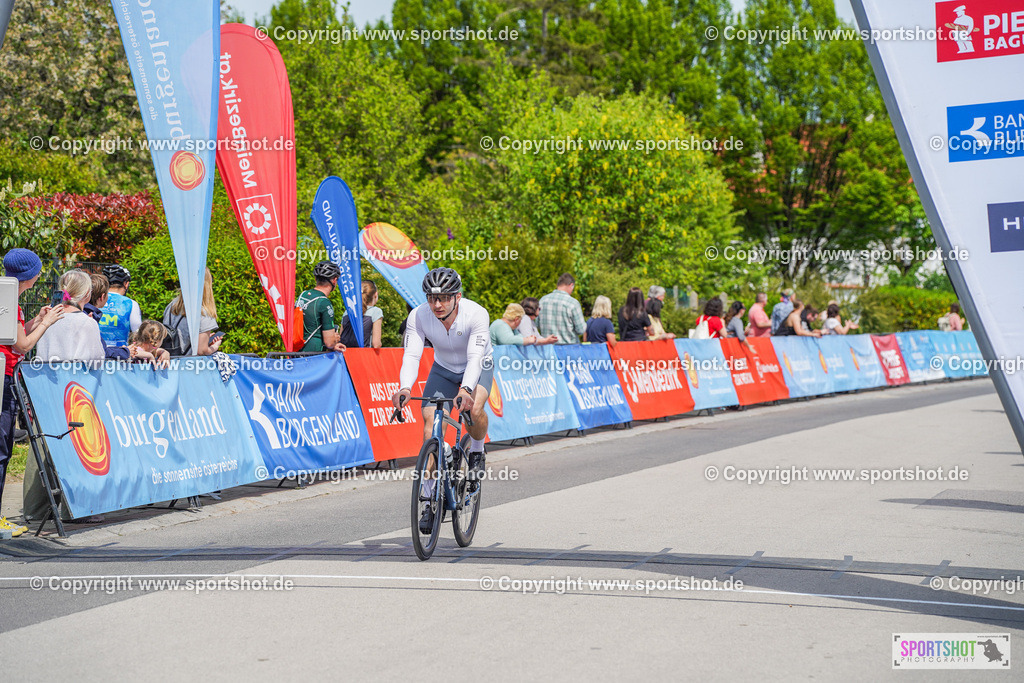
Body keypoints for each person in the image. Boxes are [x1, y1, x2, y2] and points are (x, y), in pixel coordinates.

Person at [392, 268, 492, 533]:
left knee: (475, 409)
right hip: (443, 368)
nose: (437, 304)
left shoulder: (477, 314)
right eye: (431, 297)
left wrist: (467, 389)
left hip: (478, 366)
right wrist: (404, 387)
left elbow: (474, 357)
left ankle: (478, 451)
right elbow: (412, 356)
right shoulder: (419, 315)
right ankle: (429, 501)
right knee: (429, 429)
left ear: (457, 296)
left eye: (444, 297)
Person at [1, 249, 64, 537]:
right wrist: (47, 325)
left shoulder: (7, 294)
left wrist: (37, 321)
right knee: (3, 450)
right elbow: (23, 346)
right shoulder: (10, 299)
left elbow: (13, 338)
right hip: (4, 379)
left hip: (4, 375)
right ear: (32, 275)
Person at [35, 270, 106, 363]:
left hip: (45, 375)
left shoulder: (46, 319)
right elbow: (97, 361)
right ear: (87, 293)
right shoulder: (87, 322)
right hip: (74, 376)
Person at [163, 268, 223, 356]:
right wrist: (214, 347)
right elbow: (202, 351)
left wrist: (203, 340)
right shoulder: (203, 313)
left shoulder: (172, 306)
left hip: (169, 362)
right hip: (189, 365)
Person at [295, 261, 346, 353]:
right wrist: (334, 339)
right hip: (314, 355)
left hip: (296, 352)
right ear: (334, 280)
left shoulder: (303, 295)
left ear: (315, 278)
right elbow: (329, 343)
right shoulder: (324, 302)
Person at [84, 273, 130, 361]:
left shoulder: (83, 312)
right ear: (102, 296)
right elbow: (102, 352)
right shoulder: (90, 317)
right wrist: (125, 351)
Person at [98, 264, 142, 348]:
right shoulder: (131, 304)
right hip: (120, 353)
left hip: (97, 351)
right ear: (126, 284)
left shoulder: (95, 299)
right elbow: (138, 333)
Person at [538, 273, 587, 344]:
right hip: (568, 348)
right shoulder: (573, 303)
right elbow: (581, 330)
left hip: (547, 348)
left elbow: (537, 325)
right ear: (571, 285)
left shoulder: (543, 300)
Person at [340, 280, 383, 349]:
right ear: (375, 295)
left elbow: (341, 337)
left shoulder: (347, 311)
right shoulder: (376, 311)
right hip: (363, 355)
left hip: (345, 354)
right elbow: (376, 344)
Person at [490, 303, 556, 346]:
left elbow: (520, 337)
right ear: (516, 319)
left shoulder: (512, 328)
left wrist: (529, 339)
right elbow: (508, 340)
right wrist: (528, 340)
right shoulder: (500, 325)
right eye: (520, 320)